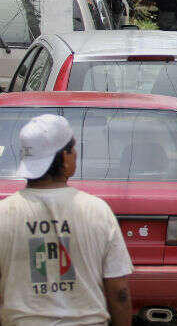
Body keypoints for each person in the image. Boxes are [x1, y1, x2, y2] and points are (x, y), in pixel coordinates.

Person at [0, 114, 133, 326]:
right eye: (73, 149)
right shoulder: (97, 211)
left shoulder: (4, 213)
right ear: (64, 157)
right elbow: (119, 293)